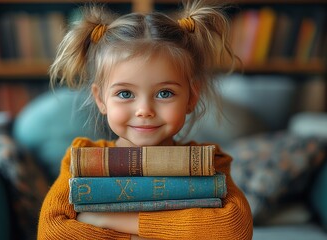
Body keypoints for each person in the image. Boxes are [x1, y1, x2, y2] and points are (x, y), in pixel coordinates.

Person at [38, 1, 253, 239]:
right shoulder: (83, 161)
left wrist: (108, 221)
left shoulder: (208, 164)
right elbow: (52, 233)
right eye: (125, 94)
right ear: (100, 99)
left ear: (192, 97)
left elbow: (235, 230)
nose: (144, 110)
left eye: (164, 93)